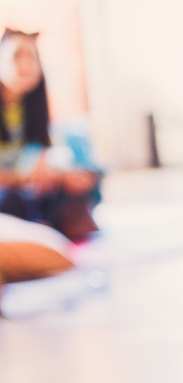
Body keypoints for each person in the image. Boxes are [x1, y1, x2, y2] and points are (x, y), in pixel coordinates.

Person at [0, 29, 99, 245]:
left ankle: (54, 226)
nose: (26, 65)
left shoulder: (33, 108)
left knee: (88, 176)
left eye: (32, 57)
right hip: (9, 191)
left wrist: (60, 174)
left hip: (29, 187)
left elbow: (44, 155)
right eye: (17, 56)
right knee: (13, 202)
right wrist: (22, 177)